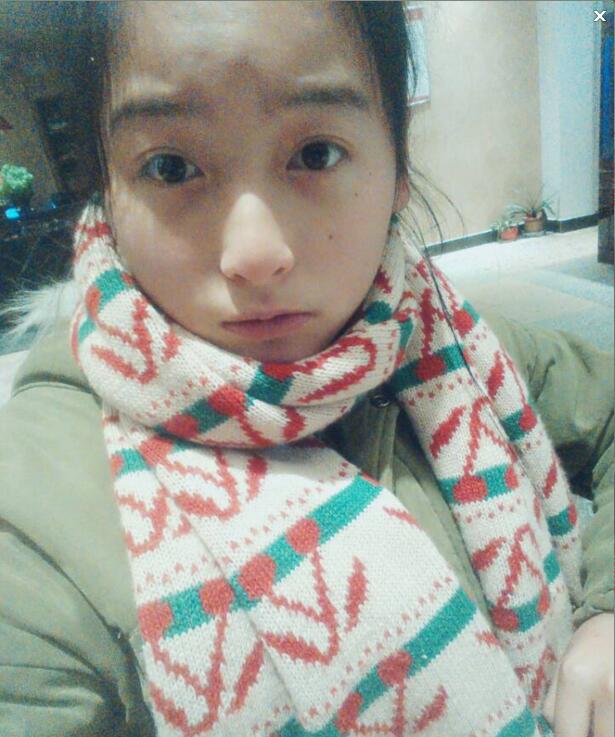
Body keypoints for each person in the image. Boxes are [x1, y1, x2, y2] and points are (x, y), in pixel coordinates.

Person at [0, 3, 612, 736]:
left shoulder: (442, 335)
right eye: (170, 168)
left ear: (397, 168)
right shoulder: (31, 529)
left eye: (316, 154)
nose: (254, 253)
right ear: (107, 189)